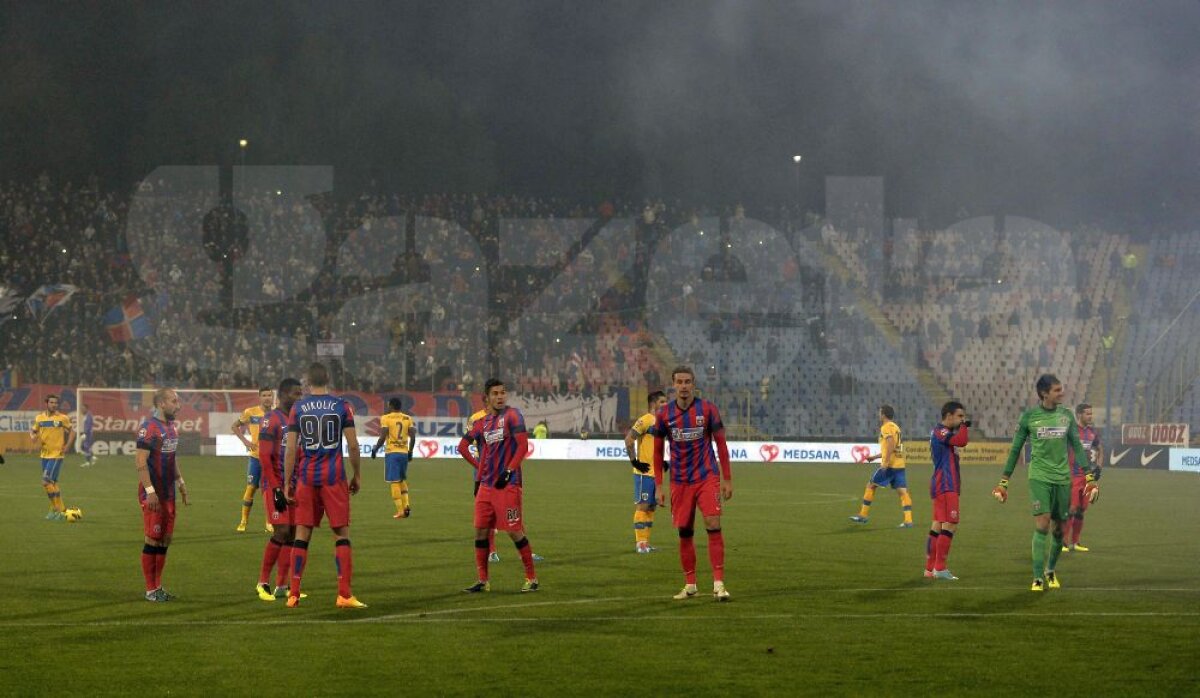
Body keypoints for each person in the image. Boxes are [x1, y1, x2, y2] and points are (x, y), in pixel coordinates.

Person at [994, 374, 1098, 592]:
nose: (1062, 393)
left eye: (1061, 389)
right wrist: (1004, 481)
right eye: (1057, 390)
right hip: (1039, 477)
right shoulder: (1029, 417)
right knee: (1042, 525)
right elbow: (1015, 450)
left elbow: (1077, 447)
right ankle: (1037, 577)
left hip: (1062, 479)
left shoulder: (1066, 416)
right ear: (1044, 393)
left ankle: (1050, 570)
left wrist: (1089, 476)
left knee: (1059, 531)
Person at [283, 363, 367, 609]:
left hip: (306, 478)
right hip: (334, 477)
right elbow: (352, 445)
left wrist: (288, 481)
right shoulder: (342, 406)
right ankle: (343, 594)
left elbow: (290, 449)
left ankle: (293, 594)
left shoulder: (298, 407)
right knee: (341, 534)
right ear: (328, 379)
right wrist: (357, 475)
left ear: (308, 382)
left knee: (302, 533)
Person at [651, 366, 733, 601]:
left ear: (694, 384)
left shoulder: (708, 410)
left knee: (713, 523)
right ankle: (690, 584)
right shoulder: (664, 414)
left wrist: (727, 479)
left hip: (707, 476)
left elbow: (722, 446)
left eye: (688, 382)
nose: (684, 386)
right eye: (679, 382)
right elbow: (657, 453)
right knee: (684, 532)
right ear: (673, 385)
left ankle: (718, 584)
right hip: (679, 481)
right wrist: (658, 485)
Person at [456, 378, 539, 593]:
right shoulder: (482, 424)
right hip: (486, 486)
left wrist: (509, 470)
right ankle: (483, 581)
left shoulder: (513, 416)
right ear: (487, 397)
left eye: (503, 392)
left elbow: (523, 447)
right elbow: (463, 447)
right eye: (495, 393)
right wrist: (479, 476)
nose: (500, 396)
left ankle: (532, 578)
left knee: (514, 531)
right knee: (481, 532)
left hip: (508, 485)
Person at [136, 388, 190, 602]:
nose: (178, 405)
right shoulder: (149, 428)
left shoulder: (171, 428)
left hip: (169, 494)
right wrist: (150, 492)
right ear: (161, 404)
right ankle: (151, 590)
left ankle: (158, 587)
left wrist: (181, 482)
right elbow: (140, 462)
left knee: (165, 540)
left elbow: (172, 457)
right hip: (154, 494)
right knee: (152, 539)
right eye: (174, 401)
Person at [255, 377, 304, 601]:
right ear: (283, 395)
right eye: (296, 393)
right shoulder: (271, 419)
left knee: (293, 535)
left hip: (294, 486)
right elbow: (264, 456)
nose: (299, 397)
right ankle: (262, 583)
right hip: (274, 485)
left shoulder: (297, 420)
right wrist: (276, 488)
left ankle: (282, 586)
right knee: (281, 531)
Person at [849, 404, 914, 528]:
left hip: (890, 465)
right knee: (902, 492)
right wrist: (874, 457)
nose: (879, 415)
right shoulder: (896, 427)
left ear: (883, 414)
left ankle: (863, 515)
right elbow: (893, 447)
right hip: (899, 465)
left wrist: (885, 462)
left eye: (880, 413)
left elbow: (890, 444)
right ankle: (908, 520)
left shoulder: (885, 427)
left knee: (871, 485)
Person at [925, 401, 969, 580]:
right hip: (945, 484)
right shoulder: (941, 431)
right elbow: (962, 441)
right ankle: (940, 568)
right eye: (960, 416)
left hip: (943, 484)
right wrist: (965, 427)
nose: (962, 420)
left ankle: (929, 569)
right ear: (949, 416)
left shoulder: (943, 432)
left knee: (937, 525)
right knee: (950, 524)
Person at [625, 390, 668, 553]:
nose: (665, 404)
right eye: (662, 402)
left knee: (651, 507)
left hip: (655, 473)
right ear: (653, 404)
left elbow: (654, 446)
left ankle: (646, 542)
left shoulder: (661, 421)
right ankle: (640, 543)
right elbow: (629, 439)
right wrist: (634, 461)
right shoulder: (645, 420)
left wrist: (662, 462)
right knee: (642, 507)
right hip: (644, 473)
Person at [1062, 403, 1104, 552]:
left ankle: (1075, 542)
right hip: (1071, 476)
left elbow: (1100, 449)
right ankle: (1063, 543)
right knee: (1071, 508)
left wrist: (1099, 467)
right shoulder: (1071, 432)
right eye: (1087, 414)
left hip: (1086, 477)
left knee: (1081, 510)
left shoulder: (1092, 433)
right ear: (1079, 415)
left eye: (1091, 414)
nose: (1090, 416)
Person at [233, 387, 276, 533]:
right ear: (259, 397)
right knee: (251, 488)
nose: (267, 398)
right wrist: (245, 441)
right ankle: (243, 521)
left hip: (272, 459)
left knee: (269, 491)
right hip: (256, 458)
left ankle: (269, 522)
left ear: (272, 396)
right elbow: (234, 426)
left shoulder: (277, 413)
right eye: (264, 395)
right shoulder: (250, 412)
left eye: (269, 395)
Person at [371, 398, 416, 519]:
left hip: (392, 453)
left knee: (394, 481)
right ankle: (406, 506)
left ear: (391, 406)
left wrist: (375, 449)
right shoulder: (407, 418)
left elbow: (382, 437)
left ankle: (400, 510)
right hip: (403, 453)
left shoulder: (386, 418)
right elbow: (413, 436)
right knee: (401, 479)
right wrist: (410, 452)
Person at [31, 394, 73, 520]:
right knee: (53, 483)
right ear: (47, 403)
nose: (54, 405)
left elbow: (72, 431)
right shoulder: (39, 418)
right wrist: (33, 436)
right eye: (52, 402)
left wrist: (68, 445)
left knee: (45, 481)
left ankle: (57, 509)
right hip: (44, 454)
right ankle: (59, 510)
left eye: (56, 403)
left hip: (56, 455)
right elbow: (34, 431)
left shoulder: (62, 418)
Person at [466, 405, 499, 561]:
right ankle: (492, 552)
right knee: (487, 511)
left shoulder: (505, 417)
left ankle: (525, 553)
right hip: (486, 468)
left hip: (497, 468)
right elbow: (468, 443)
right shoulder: (476, 419)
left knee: (512, 509)